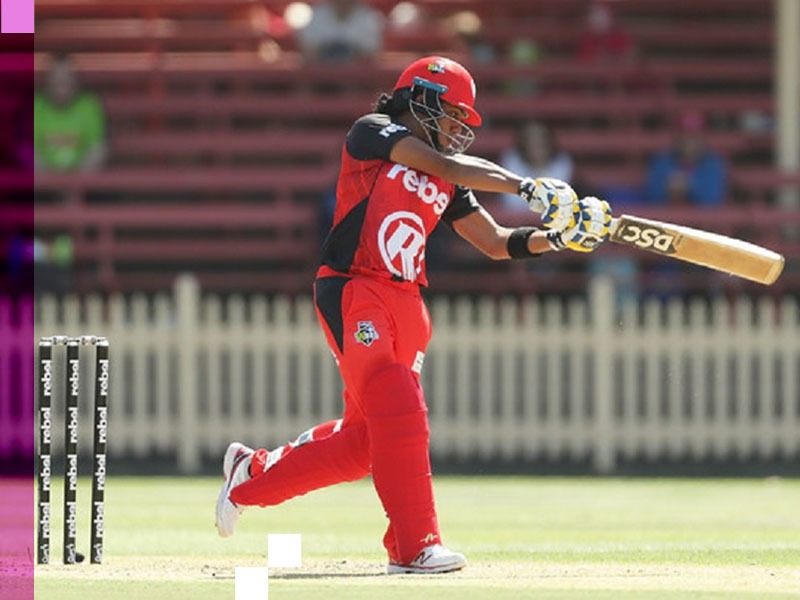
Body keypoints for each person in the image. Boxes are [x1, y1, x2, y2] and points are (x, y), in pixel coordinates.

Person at [215, 56, 613, 574]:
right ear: (421, 98)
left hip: (407, 301)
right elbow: (448, 168)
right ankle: (413, 546)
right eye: (453, 114)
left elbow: (495, 242)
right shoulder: (372, 132)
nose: (458, 128)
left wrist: (556, 239)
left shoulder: (448, 172)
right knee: (398, 399)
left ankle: (250, 475)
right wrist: (526, 186)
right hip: (355, 287)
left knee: (363, 445)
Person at [33, 54, 107, 172]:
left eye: (67, 76)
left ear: (76, 80)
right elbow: (27, 150)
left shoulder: (89, 105)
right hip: (42, 180)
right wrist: (48, 179)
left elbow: (97, 149)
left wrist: (76, 180)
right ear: (46, 80)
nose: (61, 82)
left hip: (84, 180)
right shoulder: (35, 106)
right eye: (55, 77)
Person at [643, 110, 726, 206]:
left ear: (702, 137)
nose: (689, 141)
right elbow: (651, 197)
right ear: (678, 137)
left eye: (694, 136)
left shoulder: (713, 163)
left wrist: (689, 186)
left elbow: (713, 199)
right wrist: (668, 189)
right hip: (665, 214)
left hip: (700, 215)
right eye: (685, 135)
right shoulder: (662, 161)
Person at [498, 121, 574, 210]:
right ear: (523, 143)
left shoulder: (561, 162)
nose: (536, 146)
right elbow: (513, 202)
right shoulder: (511, 160)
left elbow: (561, 202)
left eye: (541, 142)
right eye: (530, 141)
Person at [297, 0, 384, 63]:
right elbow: (306, 49)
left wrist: (352, 52)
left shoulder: (368, 16)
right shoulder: (317, 14)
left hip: (358, 77)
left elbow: (372, 52)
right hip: (320, 76)